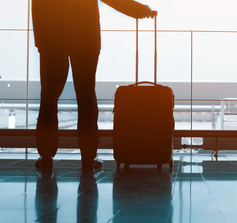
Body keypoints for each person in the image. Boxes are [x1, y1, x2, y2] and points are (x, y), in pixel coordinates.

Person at [32, 0, 155, 169]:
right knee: (86, 96)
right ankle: (88, 156)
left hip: (53, 39)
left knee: (49, 97)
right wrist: (140, 10)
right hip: (84, 37)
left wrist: (41, 41)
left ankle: (46, 155)